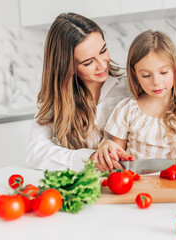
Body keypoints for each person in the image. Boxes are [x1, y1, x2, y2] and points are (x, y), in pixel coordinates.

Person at [26, 12, 132, 172]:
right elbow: (36, 153)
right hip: (82, 184)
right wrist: (89, 158)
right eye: (88, 62)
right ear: (68, 67)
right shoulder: (54, 100)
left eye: (103, 51)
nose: (102, 65)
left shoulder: (129, 87)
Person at [102, 30, 176, 169]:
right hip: (138, 186)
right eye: (146, 75)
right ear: (135, 74)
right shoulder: (127, 109)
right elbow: (118, 162)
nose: (156, 82)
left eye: (164, 72)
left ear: (175, 69)